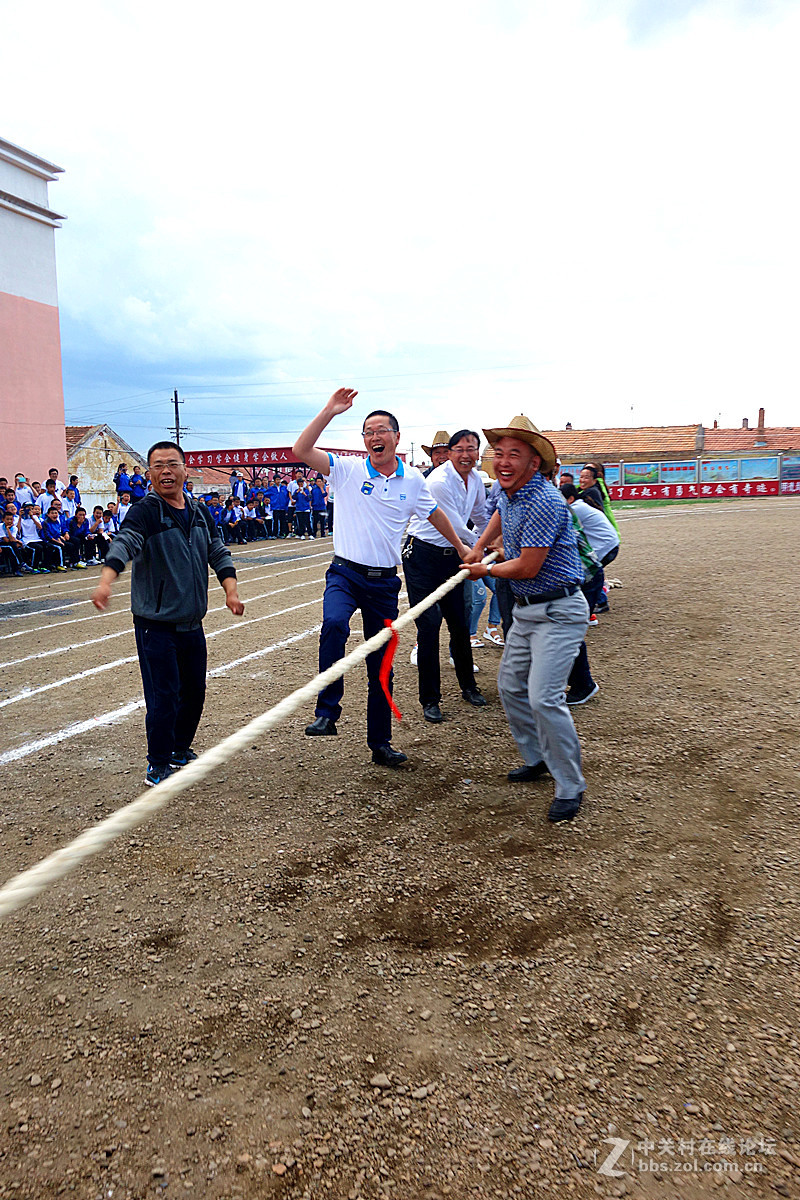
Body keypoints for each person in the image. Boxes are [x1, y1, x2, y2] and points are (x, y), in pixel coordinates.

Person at [293, 389, 469, 768]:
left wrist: (460, 547)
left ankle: (381, 742)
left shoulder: (414, 481)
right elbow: (301, 450)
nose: (374, 437)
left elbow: (435, 514)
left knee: (382, 666)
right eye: (367, 431)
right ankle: (327, 711)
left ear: (396, 437)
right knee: (334, 623)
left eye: (381, 430)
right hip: (344, 573)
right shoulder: (347, 470)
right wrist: (329, 411)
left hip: (384, 583)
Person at [91, 440, 244, 788]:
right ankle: (157, 763)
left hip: (192, 622)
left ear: (185, 470)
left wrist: (230, 590)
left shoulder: (200, 511)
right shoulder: (145, 511)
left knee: (194, 692)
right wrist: (106, 581)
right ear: (149, 474)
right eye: (158, 466)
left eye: (172, 464)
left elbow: (217, 551)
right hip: (155, 625)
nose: (166, 471)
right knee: (164, 695)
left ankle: (179, 749)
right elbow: (124, 543)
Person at [462, 415, 589, 823]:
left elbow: (528, 567)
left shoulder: (544, 501)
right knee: (510, 686)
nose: (503, 461)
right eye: (498, 453)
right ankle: (537, 758)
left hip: (559, 610)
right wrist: (478, 546)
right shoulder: (509, 492)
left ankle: (570, 784)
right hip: (527, 609)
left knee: (543, 696)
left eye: (514, 454)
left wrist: (485, 569)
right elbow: (498, 515)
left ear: (535, 463)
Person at [403, 429, 488, 723]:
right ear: (450, 453)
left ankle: (469, 686)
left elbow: (481, 516)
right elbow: (455, 526)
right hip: (423, 556)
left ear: (478, 452)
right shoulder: (438, 481)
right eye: (460, 449)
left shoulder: (476, 479)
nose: (466, 455)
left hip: (453, 556)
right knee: (429, 625)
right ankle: (430, 699)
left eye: (472, 449)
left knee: (460, 622)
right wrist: (479, 547)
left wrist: (494, 539)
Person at [560, 483, 619, 704]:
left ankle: (583, 685)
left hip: (590, 568)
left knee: (569, 631)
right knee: (567, 628)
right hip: (589, 567)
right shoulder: (571, 506)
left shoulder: (568, 509)